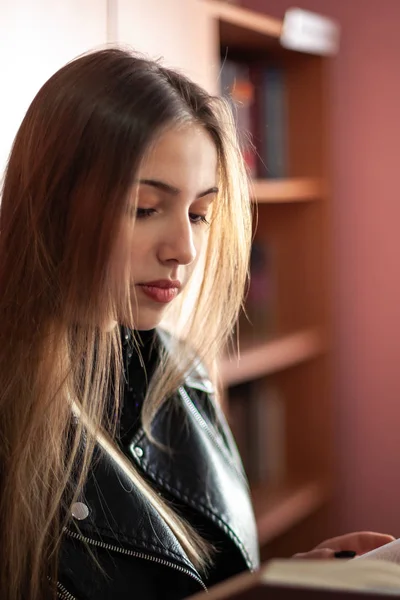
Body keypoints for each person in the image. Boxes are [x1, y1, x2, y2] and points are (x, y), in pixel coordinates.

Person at [0, 48, 394, 600]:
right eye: (144, 208)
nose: (183, 250)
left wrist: (282, 583)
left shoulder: (181, 372)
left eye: (199, 214)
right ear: (53, 202)